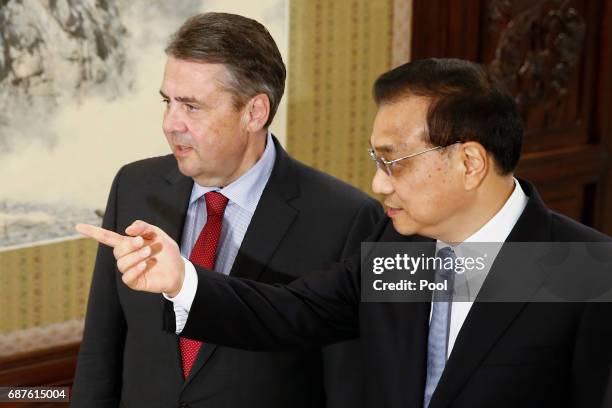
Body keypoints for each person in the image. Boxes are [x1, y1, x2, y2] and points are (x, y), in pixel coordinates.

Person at [77, 58, 612, 407]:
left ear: (470, 162)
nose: (378, 182)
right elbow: (290, 313)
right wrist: (183, 281)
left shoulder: (584, 273)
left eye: (395, 161)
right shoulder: (397, 252)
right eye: (375, 159)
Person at [71, 12, 383, 408]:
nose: (170, 123)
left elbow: (349, 389)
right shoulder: (134, 187)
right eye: (168, 102)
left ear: (254, 112)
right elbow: (100, 353)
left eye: (192, 107)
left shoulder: (346, 219)